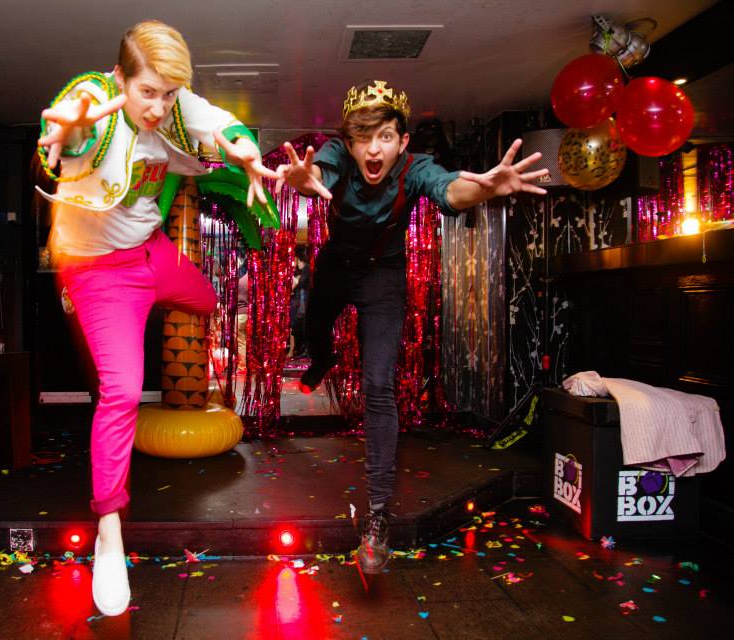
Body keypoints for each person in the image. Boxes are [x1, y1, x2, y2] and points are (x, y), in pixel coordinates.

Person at [36, 20, 276, 615]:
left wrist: (243, 149)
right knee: (121, 392)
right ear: (121, 78)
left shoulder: (172, 105)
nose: (157, 107)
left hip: (154, 254)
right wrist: (64, 132)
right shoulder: (96, 103)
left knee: (207, 300)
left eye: (167, 95)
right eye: (147, 92)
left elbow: (217, 123)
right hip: (101, 275)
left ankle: (156, 304)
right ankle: (109, 529)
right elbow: (73, 125)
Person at [274, 80, 547, 575]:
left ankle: (377, 516)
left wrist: (486, 187)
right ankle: (324, 356)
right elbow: (316, 174)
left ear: (402, 142)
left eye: (384, 137)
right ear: (349, 142)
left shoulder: (415, 167)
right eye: (363, 138)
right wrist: (303, 177)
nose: (372, 150)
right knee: (313, 324)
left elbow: (451, 190)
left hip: (383, 276)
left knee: (379, 385)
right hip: (335, 267)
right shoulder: (336, 154)